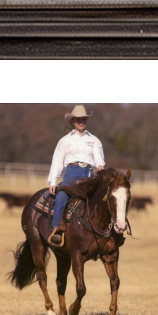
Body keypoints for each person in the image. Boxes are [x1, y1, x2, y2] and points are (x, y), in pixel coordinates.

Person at [47, 105, 105, 245]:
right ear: (73, 121)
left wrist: (100, 166)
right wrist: (53, 182)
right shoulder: (65, 141)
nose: (81, 121)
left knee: (104, 199)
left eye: (84, 119)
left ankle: (107, 230)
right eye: (78, 119)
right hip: (71, 173)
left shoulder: (94, 140)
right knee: (61, 197)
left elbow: (98, 157)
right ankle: (57, 230)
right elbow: (57, 161)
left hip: (89, 174)